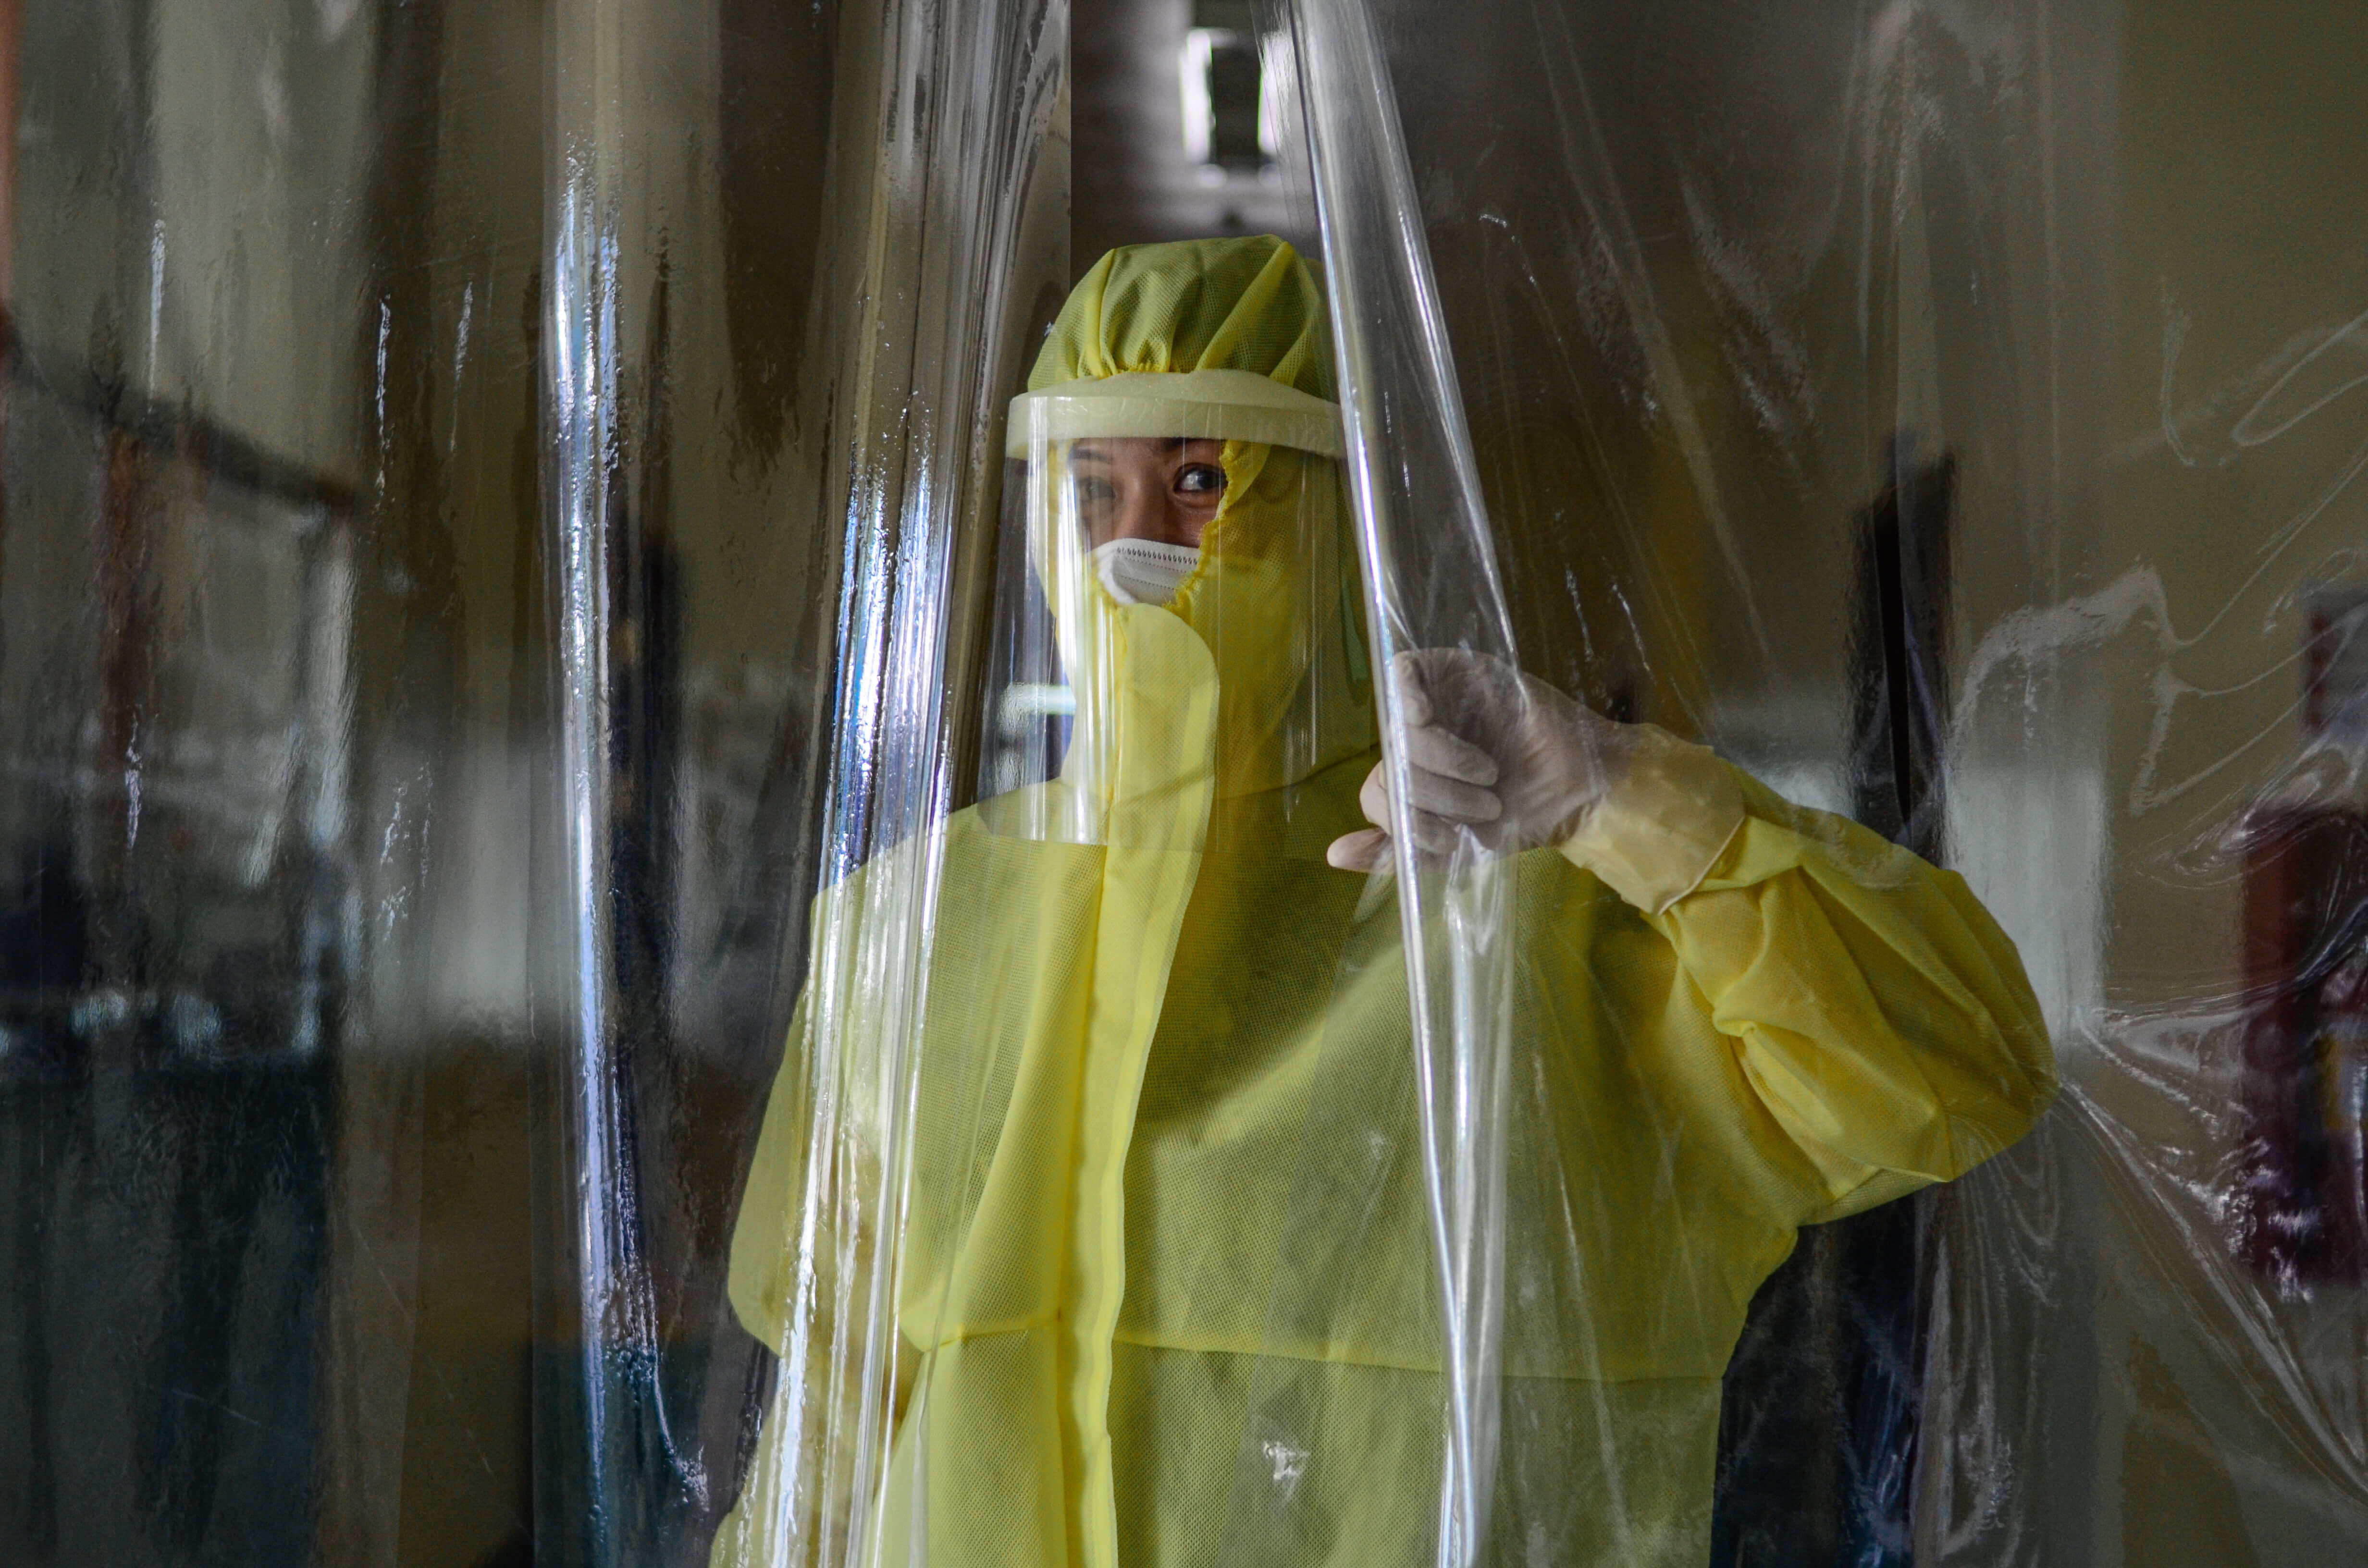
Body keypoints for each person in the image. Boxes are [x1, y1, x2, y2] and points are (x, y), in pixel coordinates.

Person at [710, 235, 2055, 1568]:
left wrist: (1617, 795)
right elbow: (831, 1424)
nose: (1139, 551)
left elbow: (1949, 1066)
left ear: (1324, 517)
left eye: (1203, 481)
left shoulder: (1515, 922)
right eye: (1090, 488)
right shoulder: (923, 928)